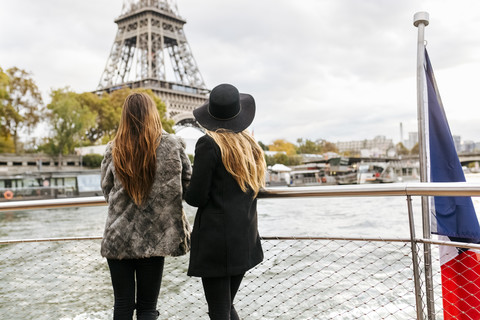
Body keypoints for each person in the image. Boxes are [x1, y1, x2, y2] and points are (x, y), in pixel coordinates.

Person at [100, 92, 192, 320]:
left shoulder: (114, 148)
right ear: (153, 114)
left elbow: (106, 190)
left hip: (118, 236)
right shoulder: (172, 145)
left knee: (122, 304)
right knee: (148, 307)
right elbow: (188, 185)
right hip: (155, 235)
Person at [185, 83, 266, 320]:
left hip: (217, 243)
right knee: (226, 306)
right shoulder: (251, 147)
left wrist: (184, 183)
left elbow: (196, 197)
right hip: (245, 237)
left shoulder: (208, 144)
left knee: (219, 310)